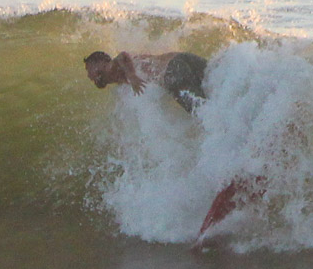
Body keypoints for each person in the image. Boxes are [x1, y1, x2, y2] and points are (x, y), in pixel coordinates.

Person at [84, 48, 258, 245]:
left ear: (98, 65)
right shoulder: (132, 66)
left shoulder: (112, 69)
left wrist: (131, 76)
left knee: (207, 120)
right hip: (183, 59)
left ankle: (237, 161)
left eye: (89, 71)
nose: (90, 77)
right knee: (216, 105)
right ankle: (251, 131)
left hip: (174, 75)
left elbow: (122, 56)